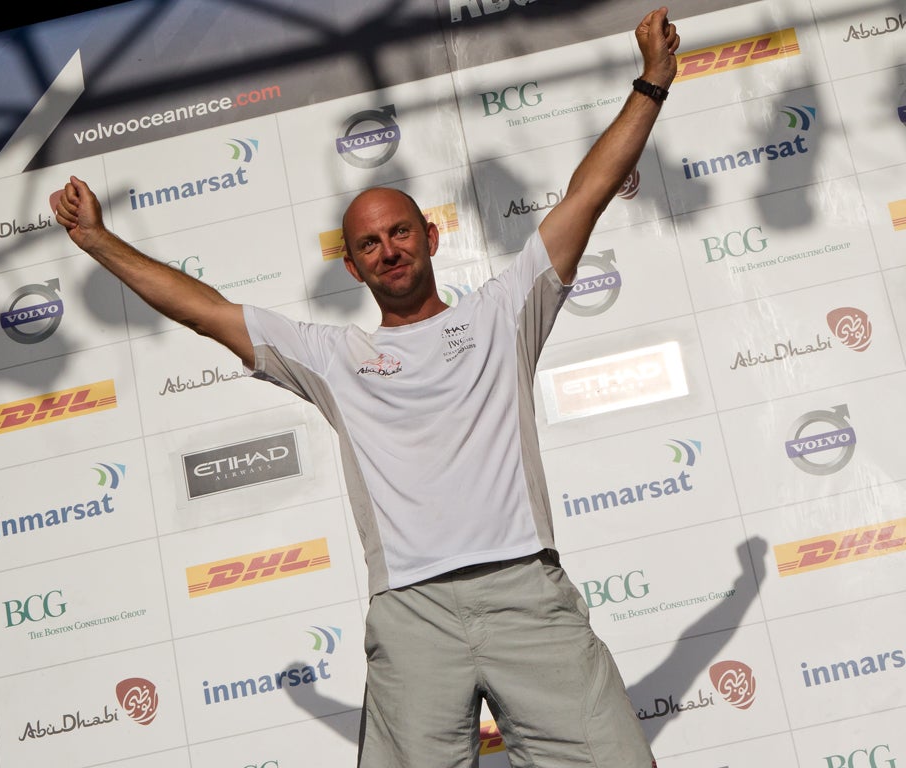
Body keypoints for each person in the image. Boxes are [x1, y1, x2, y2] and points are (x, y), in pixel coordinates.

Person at [52, 7, 679, 766]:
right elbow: (206, 311)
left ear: (431, 236)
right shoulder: (331, 356)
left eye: (400, 231)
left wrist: (651, 83)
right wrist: (97, 240)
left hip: (527, 596)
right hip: (413, 616)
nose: (389, 249)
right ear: (351, 267)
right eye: (369, 243)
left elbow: (587, 193)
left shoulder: (504, 310)